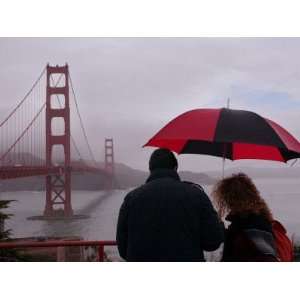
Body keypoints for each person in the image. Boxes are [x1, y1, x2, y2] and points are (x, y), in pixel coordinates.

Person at [116, 148, 224, 261]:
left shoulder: (131, 199)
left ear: (150, 169)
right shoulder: (197, 195)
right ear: (175, 168)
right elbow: (212, 242)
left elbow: (123, 250)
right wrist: (219, 224)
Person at [213, 173, 278, 262]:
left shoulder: (243, 222)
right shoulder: (261, 217)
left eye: (226, 199)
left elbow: (236, 250)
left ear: (234, 199)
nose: (226, 203)